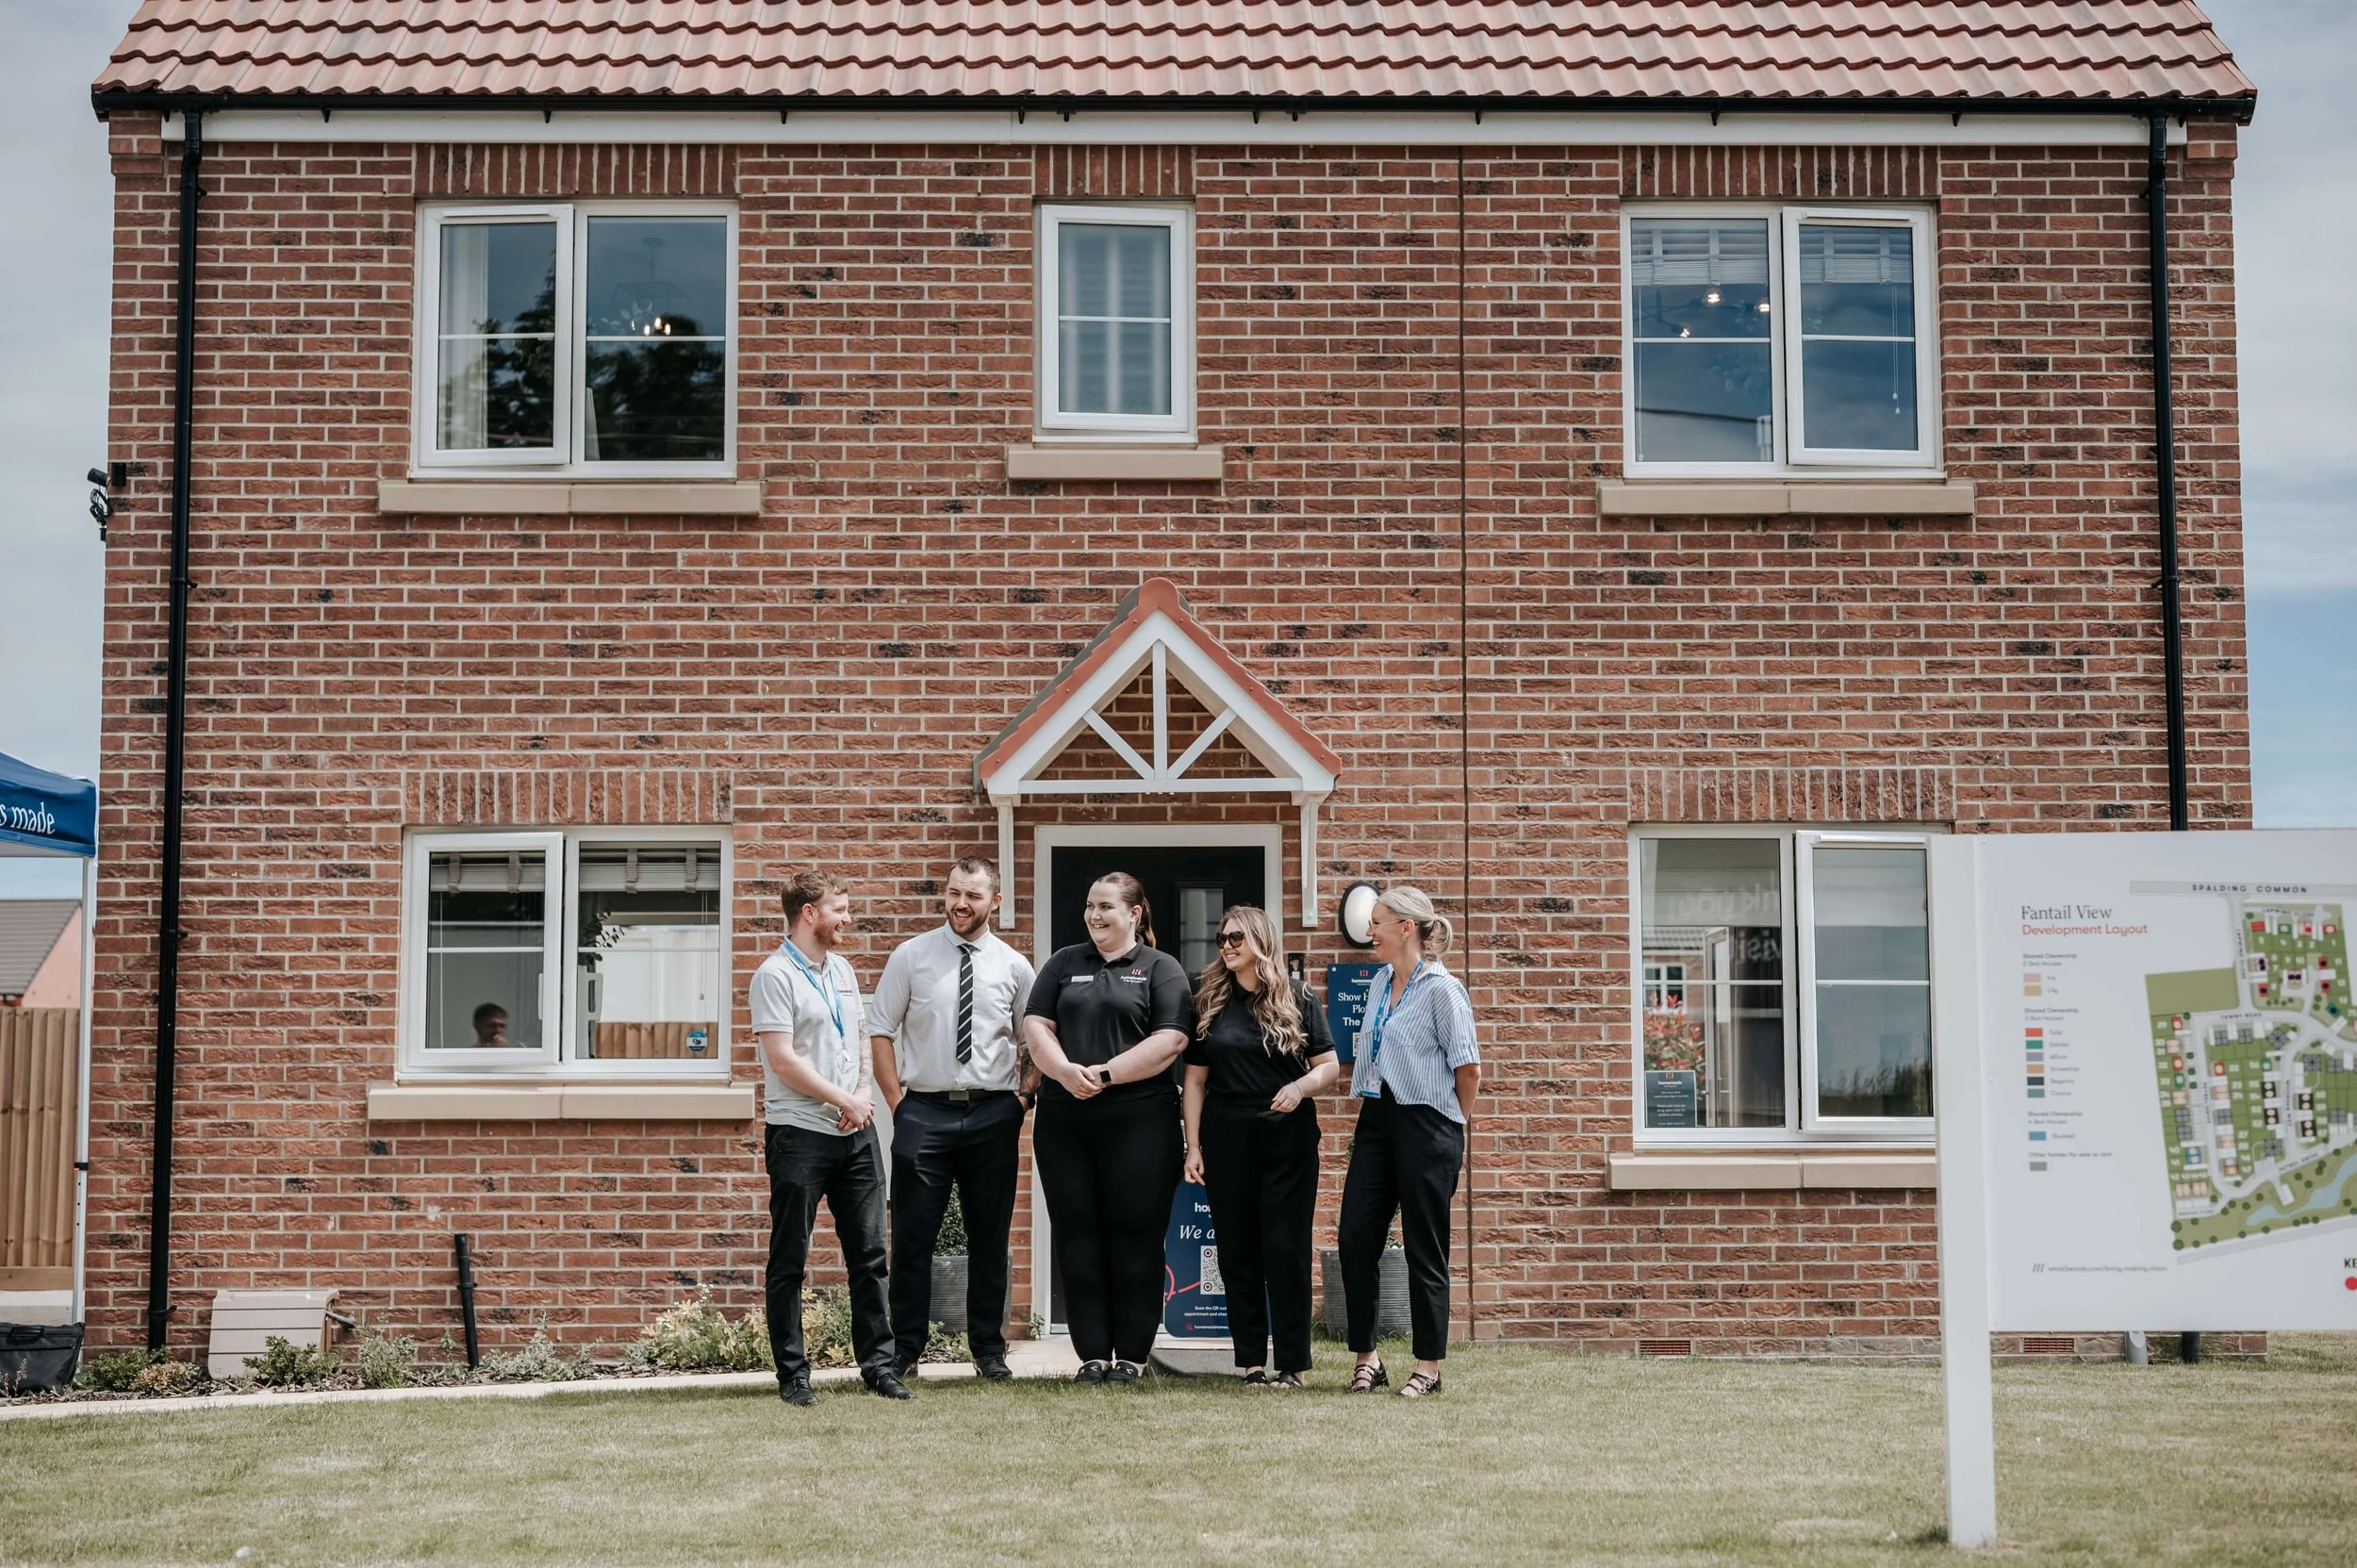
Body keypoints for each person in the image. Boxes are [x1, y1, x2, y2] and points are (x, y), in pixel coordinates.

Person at [867, 856, 1037, 1383]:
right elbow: (879, 1031)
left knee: (990, 1237)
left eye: (973, 896)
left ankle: (988, 1350)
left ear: (996, 902)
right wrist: (900, 1104)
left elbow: (1035, 1041)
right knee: (914, 1238)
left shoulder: (1014, 966)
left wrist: (1023, 1100)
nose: (961, 904)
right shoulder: (911, 956)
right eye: (954, 893)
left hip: (993, 1113)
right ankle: (906, 1351)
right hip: (924, 1112)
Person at [1021, 872, 1194, 1385]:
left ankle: (1132, 1356)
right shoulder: (1063, 963)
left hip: (1141, 1120)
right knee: (1078, 1234)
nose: (1094, 915)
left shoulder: (1161, 969)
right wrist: (1062, 1071)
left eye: (1106, 907)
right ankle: (1092, 1354)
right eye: (1090, 906)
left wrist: (1104, 1073)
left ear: (1135, 913)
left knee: (1135, 1235)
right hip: (1065, 1120)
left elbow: (1173, 1039)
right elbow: (1035, 1024)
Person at [750, 869, 910, 1406]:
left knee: (870, 1256)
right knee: (790, 1259)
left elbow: (861, 1038)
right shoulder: (774, 976)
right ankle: (793, 1376)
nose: (848, 917)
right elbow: (782, 1061)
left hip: (854, 1132)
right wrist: (843, 1100)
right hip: (800, 1135)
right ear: (809, 914)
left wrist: (859, 1095)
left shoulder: (840, 968)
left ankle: (880, 1369)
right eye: (839, 908)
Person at [1181, 904, 1339, 1388]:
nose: (1226, 947)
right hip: (1227, 1133)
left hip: (1287, 1134)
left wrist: (1300, 1088)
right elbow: (1194, 1081)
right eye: (1221, 939)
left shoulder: (1299, 997)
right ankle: (1251, 1363)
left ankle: (1291, 1365)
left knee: (1285, 1249)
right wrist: (1193, 1146)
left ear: (1259, 942)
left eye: (1235, 939)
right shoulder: (1210, 1000)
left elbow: (1330, 1066)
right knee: (1237, 1251)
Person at [1336, 884, 1479, 1398]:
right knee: (1355, 1235)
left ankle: (1428, 1366)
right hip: (1377, 1119)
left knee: (1425, 1247)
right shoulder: (1378, 983)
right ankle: (1367, 1358)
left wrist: (1451, 1125)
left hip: (1428, 1124)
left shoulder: (1443, 989)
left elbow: (1468, 1069)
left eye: (1376, 922)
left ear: (1406, 928)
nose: (1368, 931)